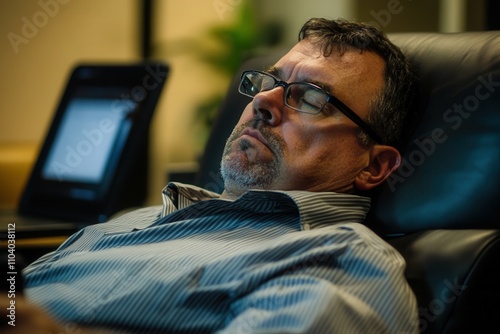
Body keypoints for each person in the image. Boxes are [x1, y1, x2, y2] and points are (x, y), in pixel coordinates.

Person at [18, 18, 419, 333]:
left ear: (374, 166)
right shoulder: (139, 218)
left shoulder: (340, 260)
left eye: (311, 97)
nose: (262, 101)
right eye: (270, 82)